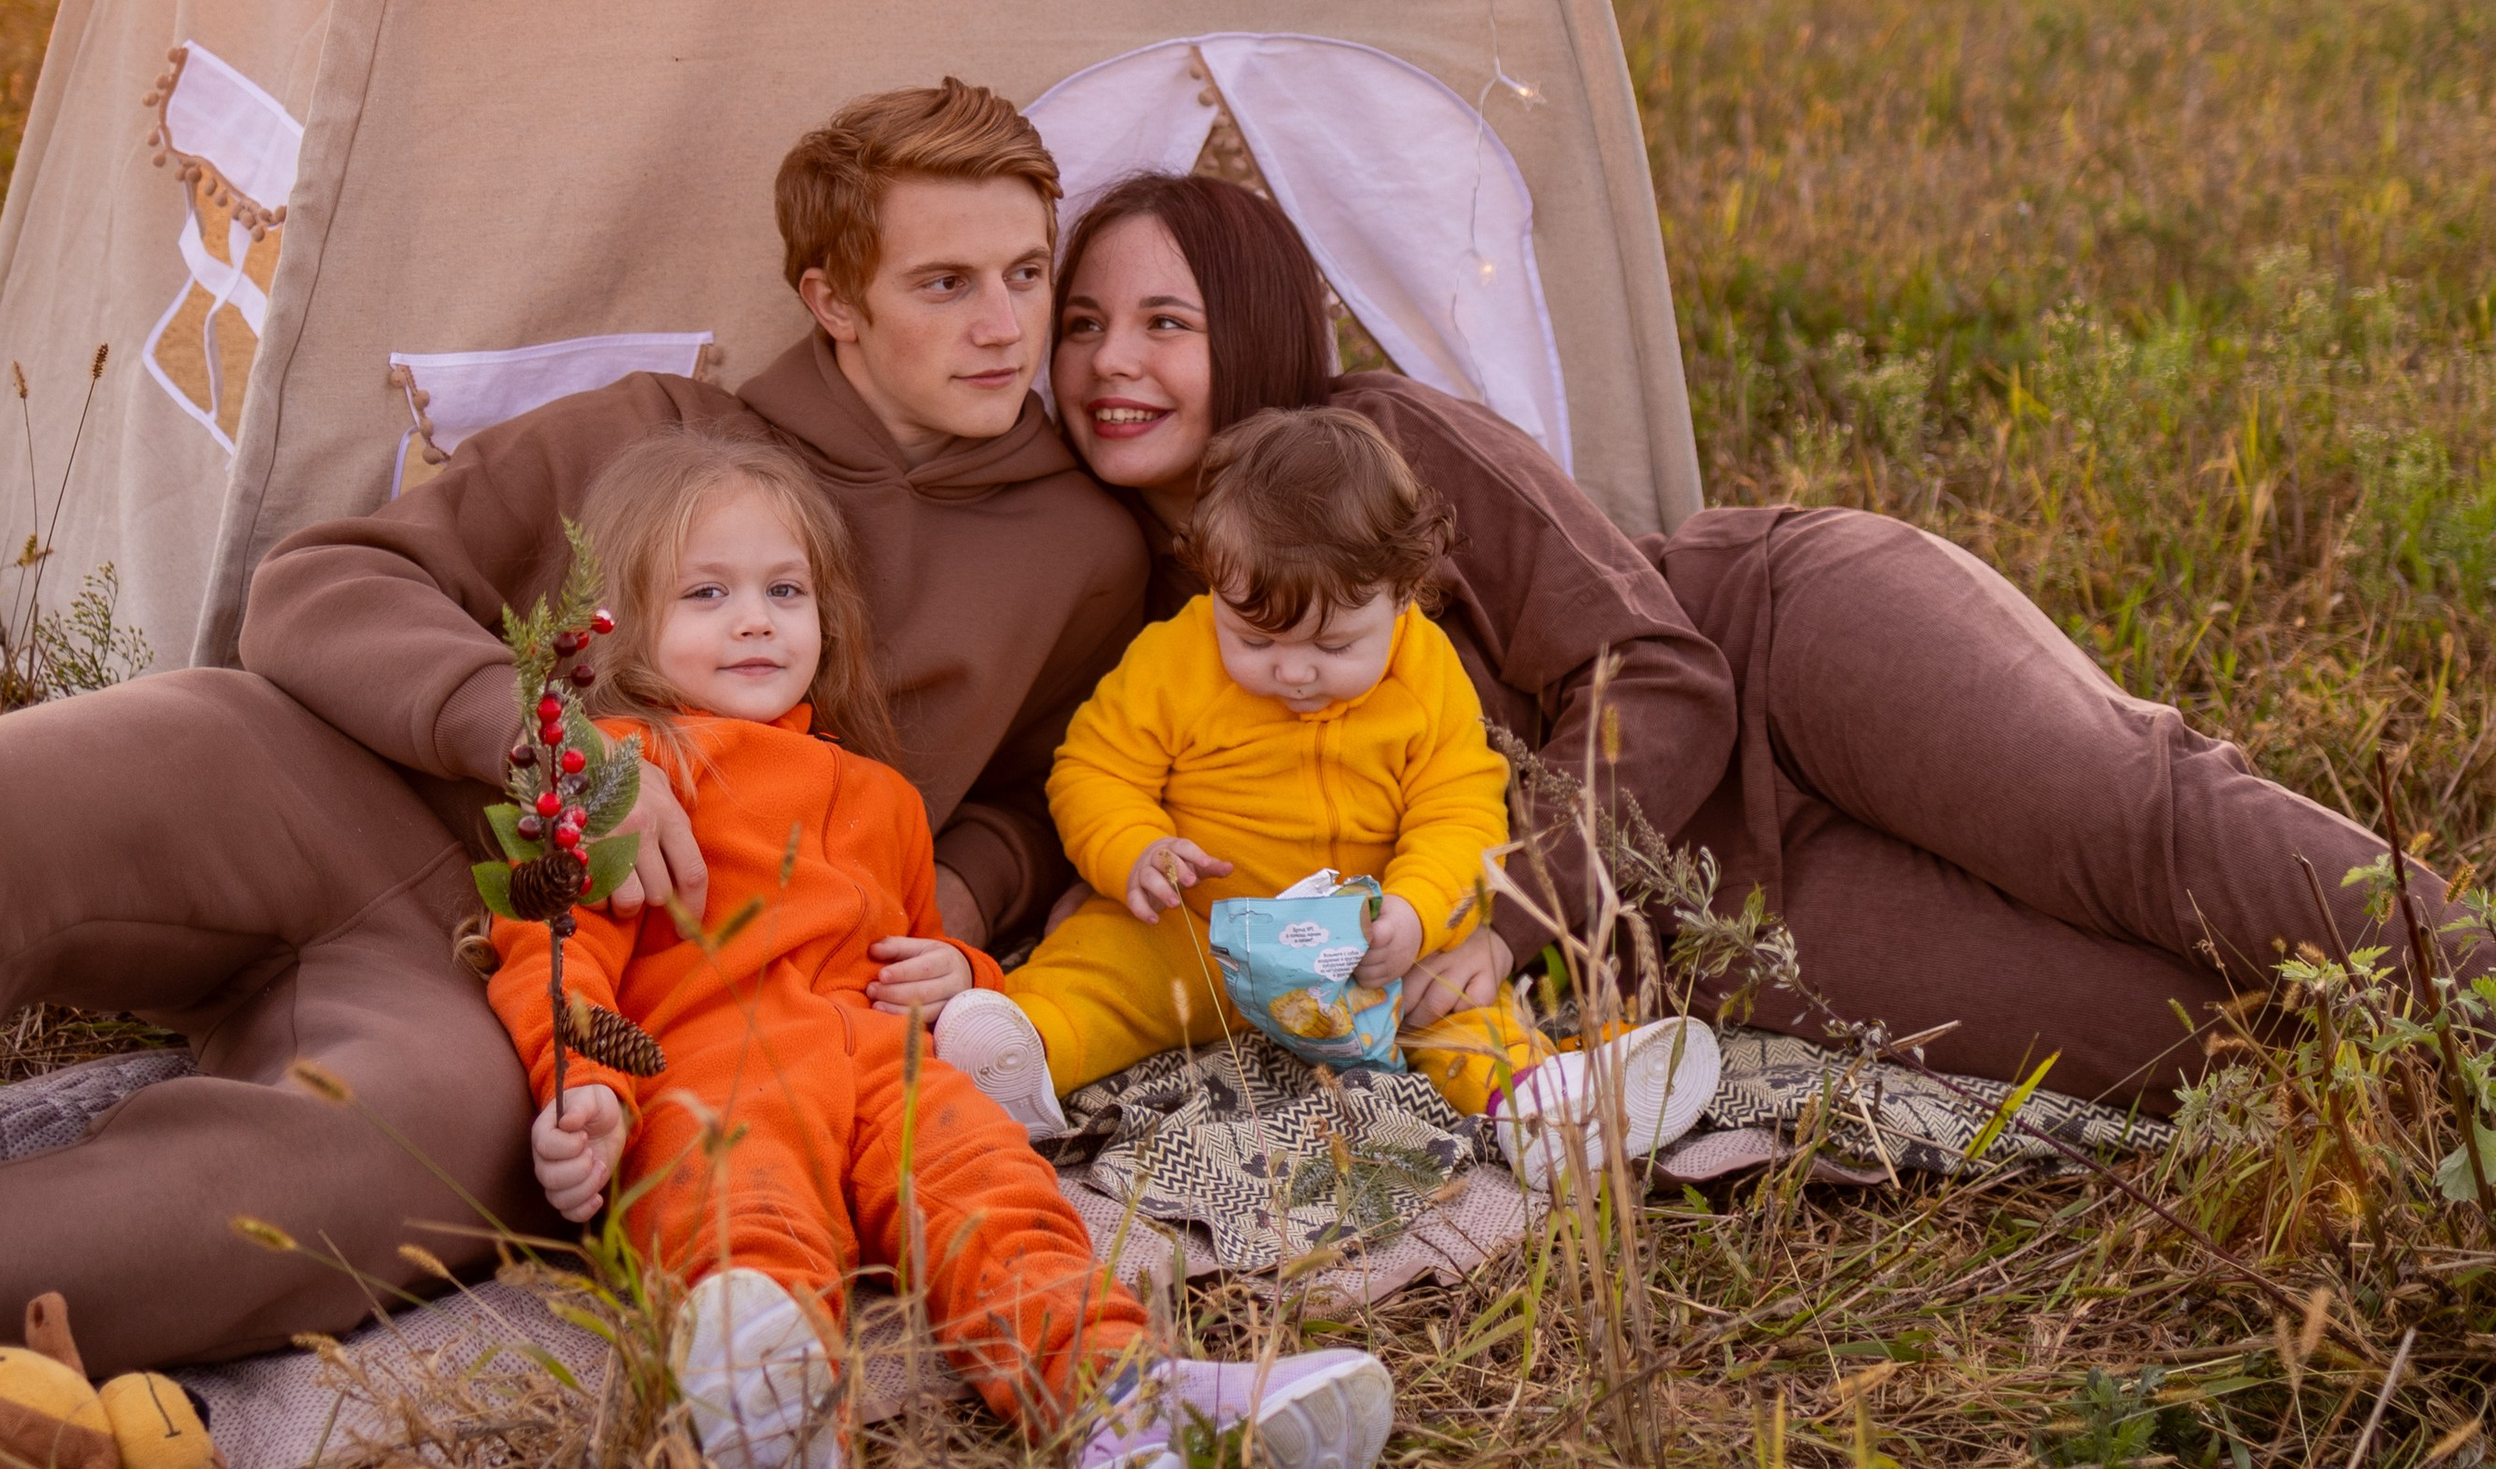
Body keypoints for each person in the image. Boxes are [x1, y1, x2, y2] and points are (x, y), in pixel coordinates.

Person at [0, 81, 1146, 1374]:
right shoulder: (657, 427)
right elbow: (322, 583)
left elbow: (1038, 792)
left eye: (1027, 271)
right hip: (326, 788)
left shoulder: (1081, 549)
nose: (1007, 326)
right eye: (946, 282)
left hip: (548, 986)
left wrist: (946, 909)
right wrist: (544, 741)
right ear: (832, 299)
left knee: (355, 1165)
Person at [1042, 171, 2492, 1110]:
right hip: (1699, 902)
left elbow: (1657, 672)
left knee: (2123, 823)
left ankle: (2477, 989)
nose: (1113, 359)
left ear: (1250, 324)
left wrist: (1507, 917)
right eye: (1085, 321)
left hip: (1784, 648)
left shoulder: (1385, 440)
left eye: (1164, 319)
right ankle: (2435, 1116)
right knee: (2146, 1042)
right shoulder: (1138, 596)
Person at [496, 430, 1394, 1469]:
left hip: (880, 1063)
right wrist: (582, 1079)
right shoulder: (632, 770)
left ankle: (1125, 1406)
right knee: (737, 1212)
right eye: (707, 593)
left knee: (998, 1198)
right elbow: (553, 942)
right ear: (621, 629)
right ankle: (767, 1415)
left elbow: (919, 952)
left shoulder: (879, 796)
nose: (754, 619)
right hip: (713, 1065)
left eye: (785, 589)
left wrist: (959, 969)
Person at [938, 411, 1539, 1127]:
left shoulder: (1427, 673)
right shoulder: (1175, 660)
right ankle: (1018, 1057)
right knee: (1095, 970)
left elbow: (1462, 810)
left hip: (1364, 950)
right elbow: (1093, 769)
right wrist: (1136, 850)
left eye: (1334, 645)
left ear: (1403, 595)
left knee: (1460, 999)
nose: (1291, 669)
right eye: (1254, 637)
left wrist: (1415, 911)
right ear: (1214, 581)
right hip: (1197, 930)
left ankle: (1534, 1108)